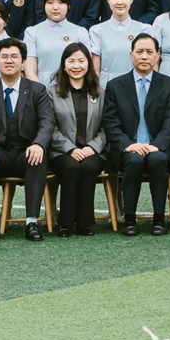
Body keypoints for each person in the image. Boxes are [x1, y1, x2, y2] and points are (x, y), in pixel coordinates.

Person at [0, 38, 55, 242]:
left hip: (27, 150)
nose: (9, 60)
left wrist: (38, 143)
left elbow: (47, 122)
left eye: (14, 56)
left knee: (38, 158)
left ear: (23, 61)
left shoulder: (37, 89)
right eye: (4, 56)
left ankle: (31, 222)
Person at [102, 33, 170, 235]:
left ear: (158, 55)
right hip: (128, 148)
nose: (144, 56)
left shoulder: (169, 84)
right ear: (131, 55)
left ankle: (159, 219)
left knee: (157, 159)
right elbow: (110, 122)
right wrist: (128, 145)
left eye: (149, 52)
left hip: (158, 147)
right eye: (139, 52)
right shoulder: (115, 85)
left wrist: (157, 145)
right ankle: (129, 220)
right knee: (134, 160)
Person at [47, 43, 107, 236]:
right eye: (71, 61)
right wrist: (70, 149)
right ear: (64, 65)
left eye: (81, 61)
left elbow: (107, 126)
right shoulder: (52, 92)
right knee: (71, 167)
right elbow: (49, 126)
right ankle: (65, 223)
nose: (76, 66)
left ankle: (85, 223)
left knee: (88, 167)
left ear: (88, 64)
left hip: (93, 150)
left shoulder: (100, 91)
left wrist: (93, 147)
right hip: (61, 151)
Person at [22, 0, 94, 85]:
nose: (55, 7)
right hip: (42, 88)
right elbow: (30, 72)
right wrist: (40, 92)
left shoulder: (80, 32)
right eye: (50, 2)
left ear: (69, 5)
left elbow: (85, 67)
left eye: (61, 2)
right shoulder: (32, 32)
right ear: (43, 5)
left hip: (72, 88)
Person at [89, 0, 151, 86]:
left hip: (136, 85)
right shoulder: (97, 30)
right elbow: (95, 68)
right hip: (106, 85)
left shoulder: (144, 29)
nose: (120, 2)